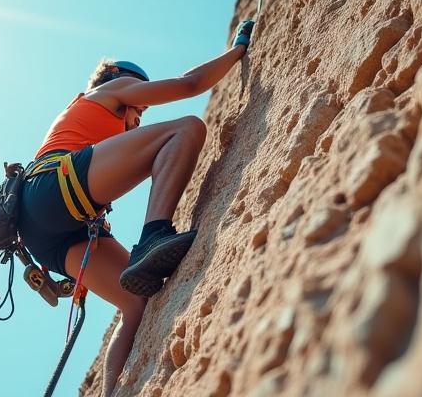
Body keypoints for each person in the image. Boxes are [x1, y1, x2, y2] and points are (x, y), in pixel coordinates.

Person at [18, 20, 255, 396]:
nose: (137, 118)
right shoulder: (111, 91)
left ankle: (112, 392)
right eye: (139, 107)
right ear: (117, 78)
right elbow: (188, 84)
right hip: (53, 188)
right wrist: (238, 50)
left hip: (50, 232)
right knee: (186, 129)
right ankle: (153, 234)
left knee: (136, 302)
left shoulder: (85, 123)